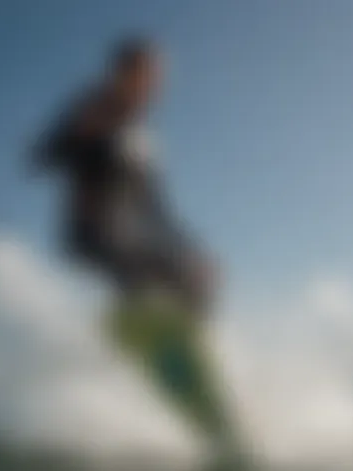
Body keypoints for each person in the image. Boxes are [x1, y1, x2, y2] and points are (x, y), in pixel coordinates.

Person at [29, 37, 215, 315]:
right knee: (141, 279)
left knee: (196, 277)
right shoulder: (94, 108)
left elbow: (156, 207)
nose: (152, 86)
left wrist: (189, 248)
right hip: (93, 230)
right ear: (121, 74)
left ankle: (174, 342)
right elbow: (42, 158)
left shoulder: (142, 136)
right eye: (144, 75)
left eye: (156, 78)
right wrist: (77, 134)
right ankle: (140, 319)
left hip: (134, 232)